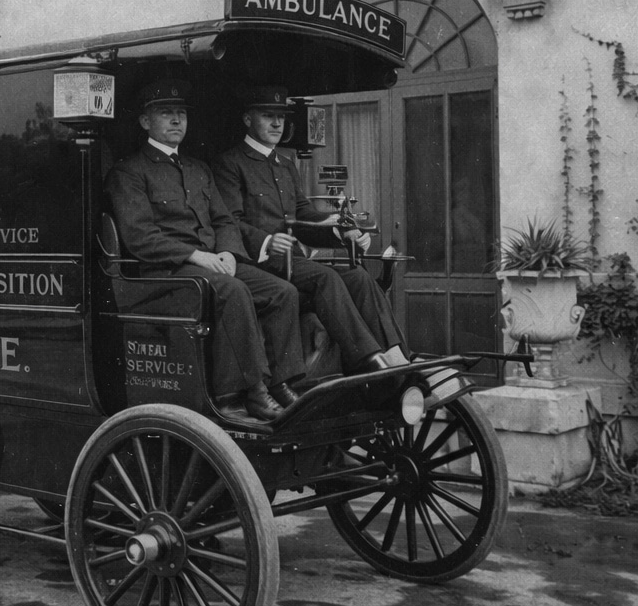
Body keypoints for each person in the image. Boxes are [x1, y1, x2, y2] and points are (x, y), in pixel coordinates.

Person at [105, 81, 304, 422]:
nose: (176, 120)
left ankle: (283, 383)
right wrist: (196, 256)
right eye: (166, 113)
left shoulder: (198, 169)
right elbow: (140, 237)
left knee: (281, 291)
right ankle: (246, 394)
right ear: (144, 122)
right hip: (165, 275)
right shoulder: (130, 172)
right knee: (232, 289)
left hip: (212, 265)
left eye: (181, 113)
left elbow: (224, 220)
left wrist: (228, 253)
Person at [213, 86, 410, 374]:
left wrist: (339, 232)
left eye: (280, 117)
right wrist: (267, 241)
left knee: (358, 277)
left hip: (294, 265)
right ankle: (370, 361)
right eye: (268, 116)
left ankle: (396, 357)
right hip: (261, 266)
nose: (277, 124)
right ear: (247, 120)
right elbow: (228, 220)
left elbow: (303, 215)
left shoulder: (285, 165)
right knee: (326, 277)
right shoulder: (230, 164)